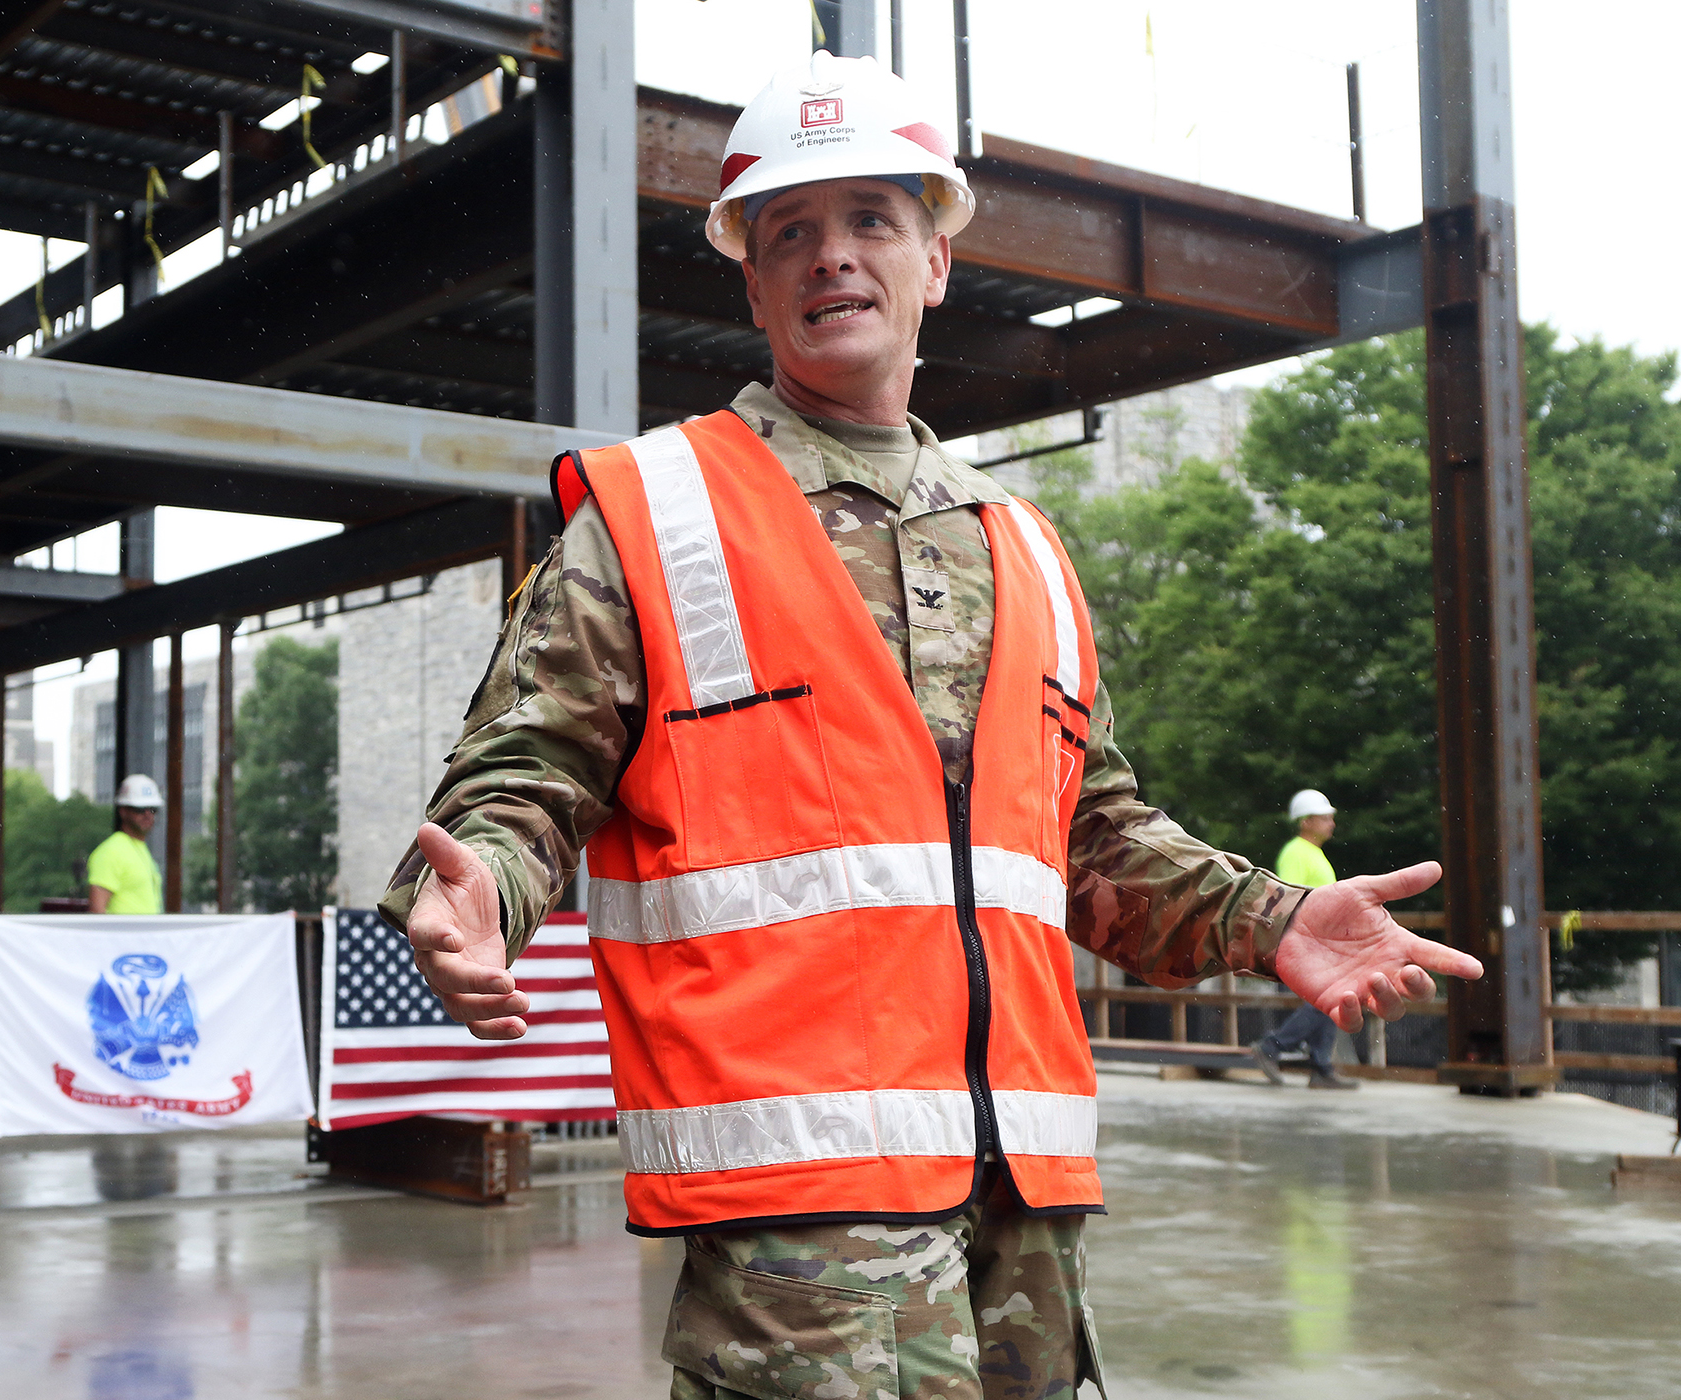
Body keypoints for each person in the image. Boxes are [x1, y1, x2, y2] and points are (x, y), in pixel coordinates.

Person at [381, 52, 1482, 1399]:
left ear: (936, 260)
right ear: (752, 276)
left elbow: (1089, 837)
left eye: (869, 221)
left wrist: (1275, 918)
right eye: (790, 228)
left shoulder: (1023, 547)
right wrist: (480, 887)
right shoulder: (663, 517)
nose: (830, 256)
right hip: (802, 1217)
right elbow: (529, 767)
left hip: (1020, 1201)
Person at [1252, 790, 1359, 1090]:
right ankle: (1272, 1047)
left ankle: (1320, 1067)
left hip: (1320, 942)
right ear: (1306, 821)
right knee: (1325, 1000)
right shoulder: (1296, 853)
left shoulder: (1313, 853)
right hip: (1306, 941)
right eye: (1325, 818)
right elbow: (1288, 896)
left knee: (1329, 999)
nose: (1331, 824)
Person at [87, 774, 164, 914]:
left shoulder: (139, 848)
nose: (147, 814)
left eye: (152, 809)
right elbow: (97, 911)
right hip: (124, 935)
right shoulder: (111, 852)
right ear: (123, 811)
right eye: (140, 809)